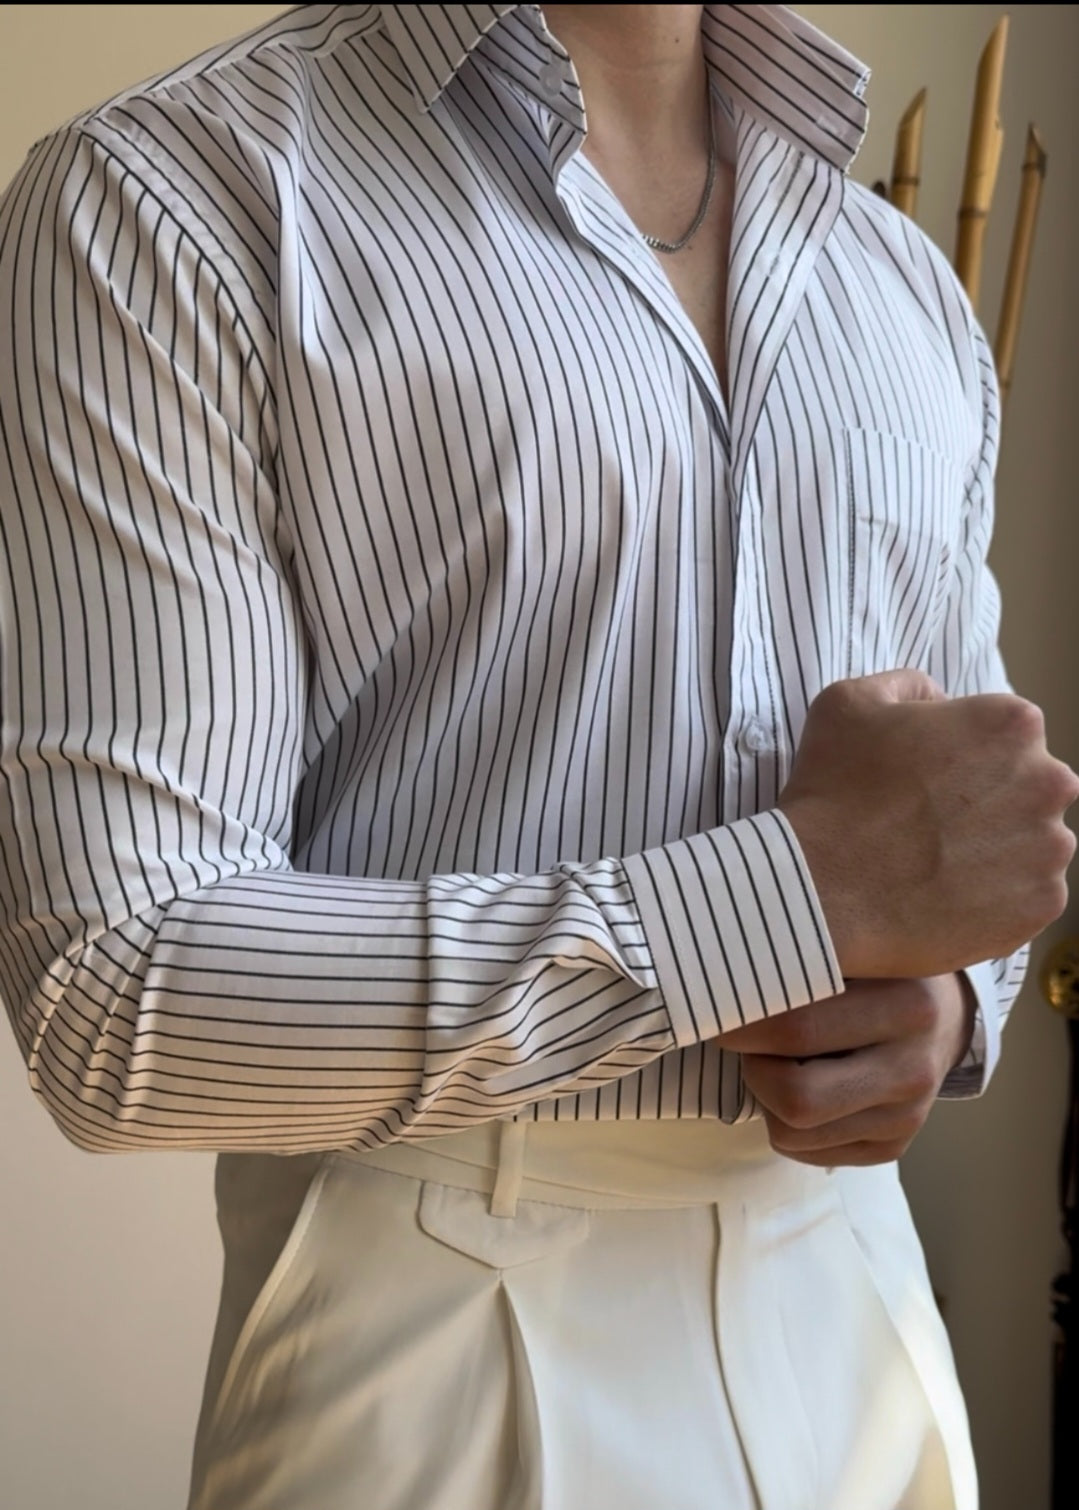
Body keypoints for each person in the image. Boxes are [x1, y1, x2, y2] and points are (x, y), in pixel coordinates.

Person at [0, 4, 1075, 1508]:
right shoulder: (171, 199)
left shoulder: (900, 282)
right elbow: (116, 996)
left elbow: (965, 825)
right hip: (443, 1325)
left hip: (863, 1314)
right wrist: (785, 901)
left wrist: (950, 1009)